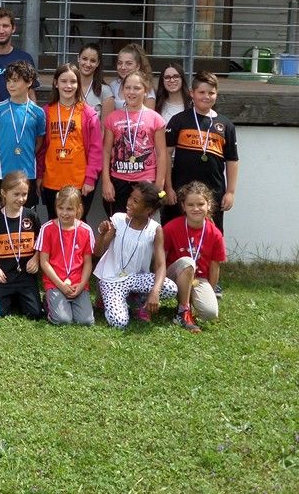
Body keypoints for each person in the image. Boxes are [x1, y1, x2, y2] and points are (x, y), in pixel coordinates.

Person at [162, 71, 239, 237]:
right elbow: (166, 154)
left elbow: (232, 160)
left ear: (216, 94)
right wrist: (168, 187)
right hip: (180, 189)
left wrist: (230, 192)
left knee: (211, 234)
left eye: (211, 93)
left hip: (214, 191)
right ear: (192, 93)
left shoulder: (226, 125)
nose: (206, 96)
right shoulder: (179, 120)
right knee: (174, 233)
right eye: (201, 92)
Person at [94, 182, 178, 330]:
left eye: (135, 201)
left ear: (148, 209)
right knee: (119, 322)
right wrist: (101, 235)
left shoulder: (155, 229)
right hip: (112, 279)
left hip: (136, 278)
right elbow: (97, 252)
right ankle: (108, 298)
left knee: (170, 288)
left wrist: (155, 292)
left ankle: (138, 302)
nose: (129, 202)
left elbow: (160, 265)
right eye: (130, 198)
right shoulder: (118, 220)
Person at [39, 63, 103, 220]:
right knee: (54, 223)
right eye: (64, 81)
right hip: (52, 181)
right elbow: (42, 148)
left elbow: (96, 150)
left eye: (73, 81)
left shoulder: (88, 113)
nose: (68, 86)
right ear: (56, 83)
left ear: (78, 84)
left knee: (77, 224)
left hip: (79, 182)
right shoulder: (46, 111)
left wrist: (90, 179)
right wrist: (40, 174)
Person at [101, 70, 166, 218]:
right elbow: (106, 152)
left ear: (145, 91)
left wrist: (159, 185)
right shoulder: (112, 118)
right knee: (118, 224)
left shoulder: (155, 118)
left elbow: (162, 154)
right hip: (118, 180)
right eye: (128, 88)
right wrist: (106, 181)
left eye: (137, 88)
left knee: (143, 225)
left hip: (146, 181)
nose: (131, 92)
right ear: (122, 90)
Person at [162, 181, 225, 331]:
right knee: (188, 262)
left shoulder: (215, 234)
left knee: (210, 313)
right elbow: (160, 259)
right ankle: (183, 311)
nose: (196, 208)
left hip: (198, 278)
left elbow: (214, 267)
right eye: (190, 205)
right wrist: (159, 284)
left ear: (209, 205)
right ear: (183, 206)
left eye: (200, 204)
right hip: (173, 275)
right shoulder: (171, 227)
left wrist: (210, 290)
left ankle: (189, 302)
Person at [0, 170, 43, 319]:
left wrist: (36, 258)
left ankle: (19, 297)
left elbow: (41, 242)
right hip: (4, 276)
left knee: (34, 313)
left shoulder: (31, 216)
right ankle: (14, 298)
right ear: (4, 193)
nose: (21, 199)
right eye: (16, 194)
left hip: (25, 276)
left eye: (24, 194)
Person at [0, 60, 47, 208]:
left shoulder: (38, 112)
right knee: (1, 213)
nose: (10, 85)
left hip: (28, 172)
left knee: (26, 213)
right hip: (2, 172)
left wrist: (27, 154)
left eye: (15, 80)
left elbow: (39, 141)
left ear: (29, 82)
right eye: (8, 81)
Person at [35, 185, 95, 326]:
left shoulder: (86, 230)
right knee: (63, 320)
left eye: (69, 209)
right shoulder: (47, 229)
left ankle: (69, 302)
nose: (64, 213)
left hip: (77, 284)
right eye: (60, 208)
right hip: (55, 282)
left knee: (86, 321)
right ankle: (48, 302)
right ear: (56, 207)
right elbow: (44, 262)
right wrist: (61, 285)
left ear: (78, 209)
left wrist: (81, 285)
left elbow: (88, 262)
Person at [102, 42, 156, 119]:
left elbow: (149, 119)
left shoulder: (147, 88)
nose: (123, 67)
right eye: (120, 63)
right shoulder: (113, 85)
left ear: (138, 66)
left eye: (129, 63)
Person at [76, 42, 110, 118]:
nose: (88, 64)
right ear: (78, 58)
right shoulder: (68, 87)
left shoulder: (105, 91)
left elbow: (105, 125)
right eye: (84, 59)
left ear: (98, 63)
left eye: (93, 61)